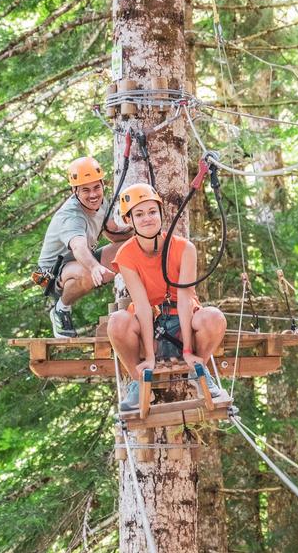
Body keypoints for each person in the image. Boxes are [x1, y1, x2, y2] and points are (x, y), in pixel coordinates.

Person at [107, 183, 228, 411]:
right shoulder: (126, 255)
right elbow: (142, 306)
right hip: (150, 326)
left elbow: (184, 299)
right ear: (130, 220)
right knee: (117, 322)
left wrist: (188, 352)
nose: (147, 219)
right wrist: (150, 357)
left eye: (152, 212)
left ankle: (198, 371)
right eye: (139, 214)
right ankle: (140, 381)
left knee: (213, 317)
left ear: (161, 214)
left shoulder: (185, 248)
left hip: (183, 324)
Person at [36, 156, 131, 337]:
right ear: (74, 191)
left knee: (130, 248)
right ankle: (61, 309)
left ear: (103, 184)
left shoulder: (101, 202)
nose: (93, 194)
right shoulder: (71, 215)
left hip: (81, 260)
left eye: (97, 187)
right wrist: (95, 267)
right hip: (52, 272)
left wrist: (141, 230)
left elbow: (113, 232)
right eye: (85, 190)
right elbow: (79, 247)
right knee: (86, 272)